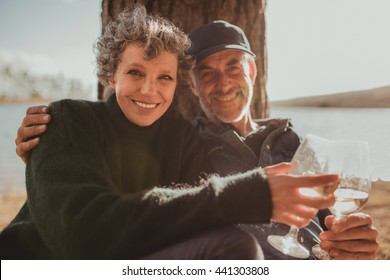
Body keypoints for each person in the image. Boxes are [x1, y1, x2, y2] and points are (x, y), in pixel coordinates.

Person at [12, 18, 377, 260]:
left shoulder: (291, 139)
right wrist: (49, 152)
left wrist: (346, 244)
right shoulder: (191, 141)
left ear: (251, 71)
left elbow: (328, 225)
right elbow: (90, 229)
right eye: (207, 73)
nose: (149, 89)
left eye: (233, 67)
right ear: (111, 75)